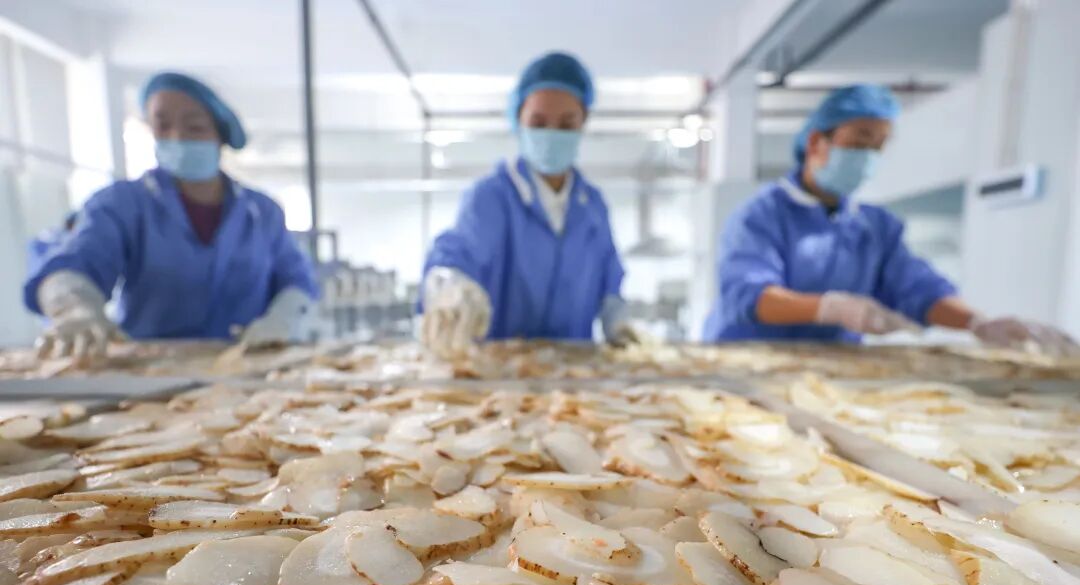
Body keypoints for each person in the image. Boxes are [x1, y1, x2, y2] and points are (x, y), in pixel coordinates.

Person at [703, 84, 1075, 353]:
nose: (868, 156)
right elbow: (748, 296)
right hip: (750, 361)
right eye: (859, 141)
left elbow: (917, 289)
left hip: (833, 370)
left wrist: (977, 323)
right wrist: (832, 308)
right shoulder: (759, 217)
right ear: (817, 142)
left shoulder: (874, 227)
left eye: (878, 146)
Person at [24, 71, 318, 359]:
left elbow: (296, 279)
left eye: (195, 127)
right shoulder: (122, 204)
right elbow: (75, 263)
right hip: (148, 371)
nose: (177, 137)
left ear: (221, 134)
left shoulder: (263, 212)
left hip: (248, 365)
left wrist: (284, 318)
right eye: (163, 126)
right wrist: (72, 306)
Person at [419, 51, 635, 359]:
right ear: (518, 120)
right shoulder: (491, 197)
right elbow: (461, 251)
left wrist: (617, 317)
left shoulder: (593, 207)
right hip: (499, 375)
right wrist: (447, 281)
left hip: (577, 375)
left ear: (584, 122)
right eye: (539, 122)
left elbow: (609, 278)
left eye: (566, 124)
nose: (552, 134)